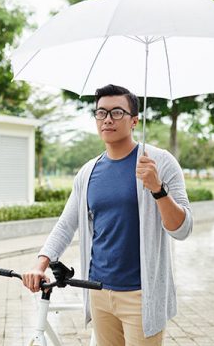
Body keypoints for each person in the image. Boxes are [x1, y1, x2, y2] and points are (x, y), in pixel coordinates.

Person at [22, 84, 193, 345]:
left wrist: (158, 189)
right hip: (98, 292)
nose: (108, 119)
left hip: (141, 294)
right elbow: (66, 225)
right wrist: (40, 264)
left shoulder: (161, 163)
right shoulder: (88, 172)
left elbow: (182, 229)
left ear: (135, 120)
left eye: (117, 112)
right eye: (101, 113)